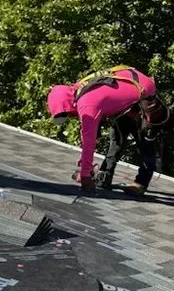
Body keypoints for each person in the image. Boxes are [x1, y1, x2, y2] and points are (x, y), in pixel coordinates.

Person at [47, 66, 166, 195]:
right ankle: (105, 175)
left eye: (68, 114)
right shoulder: (80, 88)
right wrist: (84, 167)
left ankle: (141, 183)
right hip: (131, 86)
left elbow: (89, 141)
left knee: (144, 139)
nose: (71, 116)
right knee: (116, 136)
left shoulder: (87, 103)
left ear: (68, 105)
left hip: (145, 93)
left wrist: (85, 175)